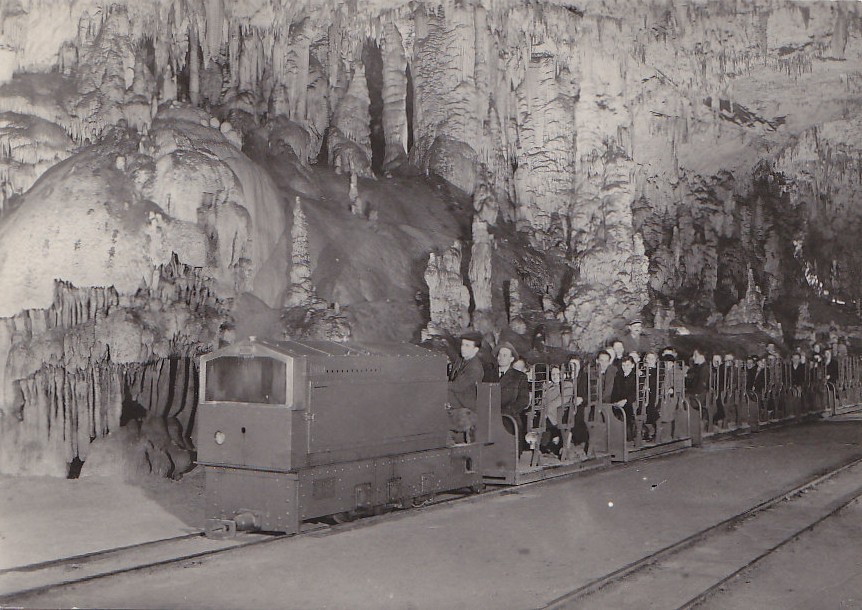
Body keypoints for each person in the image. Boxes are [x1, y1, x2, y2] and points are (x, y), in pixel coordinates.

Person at [447, 331, 485, 442]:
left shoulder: (475, 368)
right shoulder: (461, 360)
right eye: (463, 345)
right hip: (457, 405)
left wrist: (438, 384)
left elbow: (457, 386)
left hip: (466, 409)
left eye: (467, 346)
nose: (463, 348)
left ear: (475, 350)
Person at [493, 341, 531, 453]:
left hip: (509, 416)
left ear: (511, 359)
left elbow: (524, 400)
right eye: (499, 355)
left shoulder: (519, 377)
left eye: (505, 355)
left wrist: (508, 410)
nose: (501, 357)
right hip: (489, 414)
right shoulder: (488, 374)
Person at [539, 366, 571, 456]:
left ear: (563, 375)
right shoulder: (548, 386)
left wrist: (545, 410)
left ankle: (554, 440)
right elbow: (542, 401)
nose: (555, 376)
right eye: (553, 374)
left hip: (560, 415)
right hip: (548, 415)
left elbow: (562, 399)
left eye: (558, 374)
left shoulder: (567, 385)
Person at [611, 355, 638, 441]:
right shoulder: (618, 377)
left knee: (627, 413)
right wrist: (614, 402)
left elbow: (636, 393)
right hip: (619, 402)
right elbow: (614, 391)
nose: (625, 368)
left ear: (632, 365)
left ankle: (628, 436)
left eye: (628, 365)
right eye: (623, 365)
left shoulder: (636, 377)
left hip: (630, 402)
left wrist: (626, 400)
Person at [643, 352, 660, 441]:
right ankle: (647, 429)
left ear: (656, 360)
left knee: (650, 407)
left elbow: (657, 384)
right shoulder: (642, 370)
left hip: (654, 394)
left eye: (652, 359)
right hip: (643, 394)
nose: (649, 360)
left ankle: (653, 429)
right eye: (648, 358)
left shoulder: (658, 371)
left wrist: (648, 388)